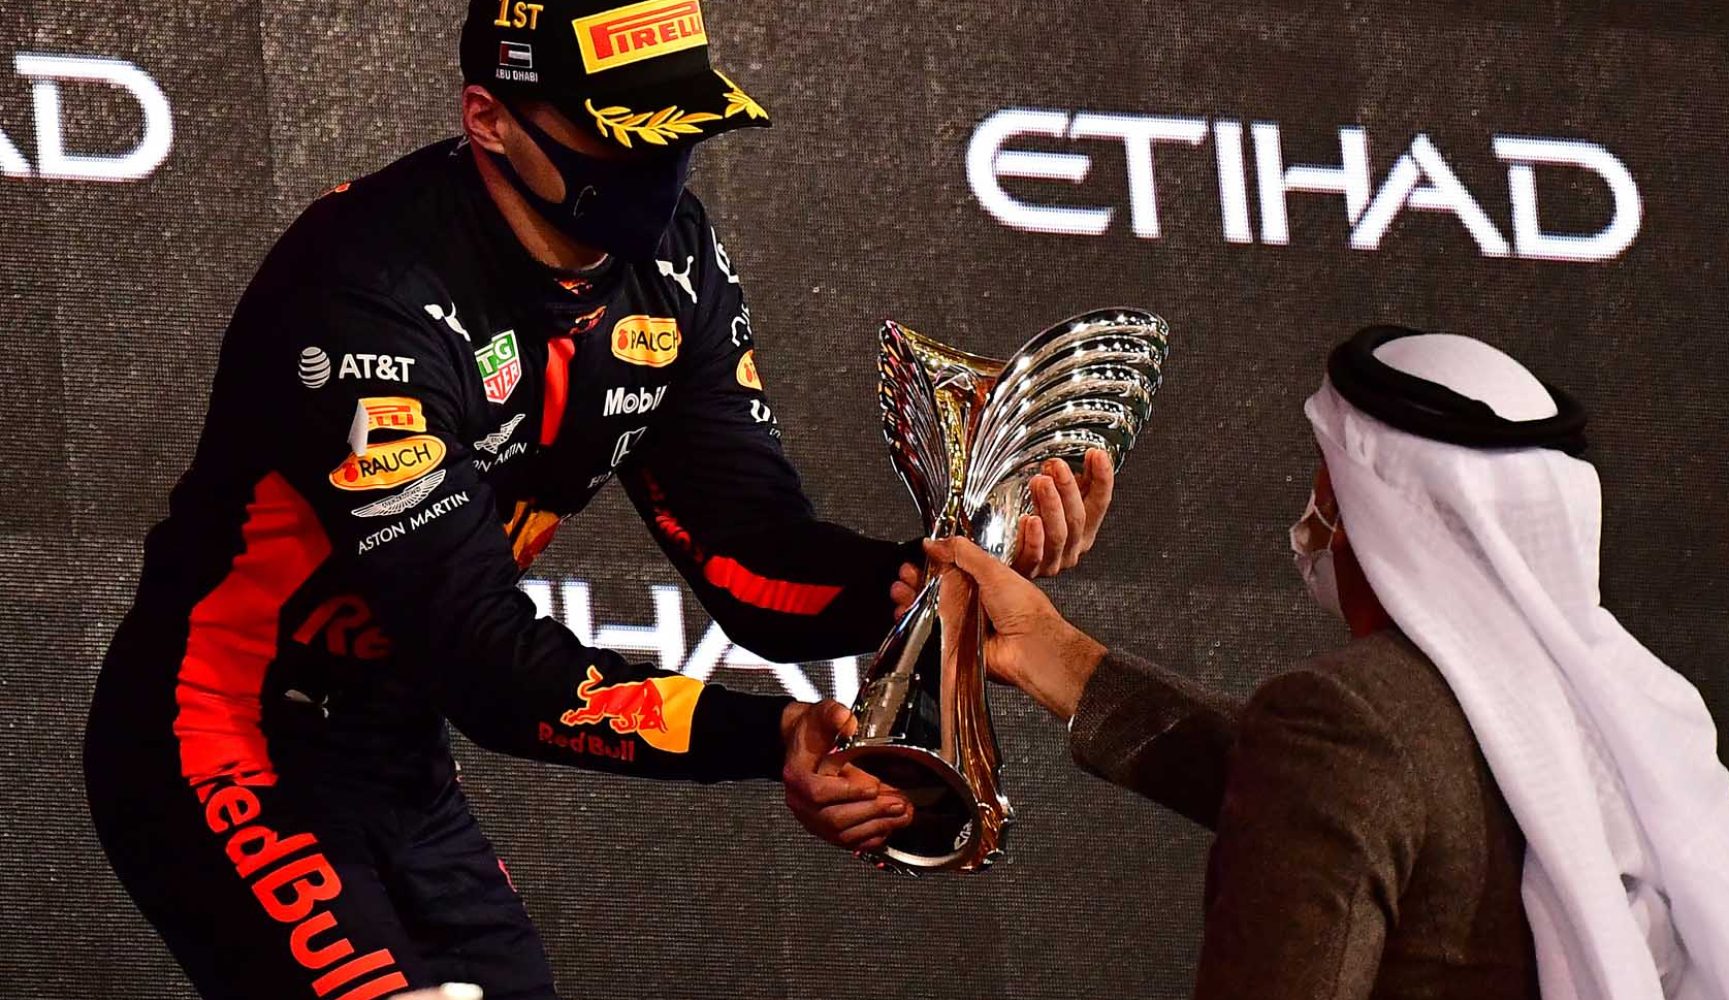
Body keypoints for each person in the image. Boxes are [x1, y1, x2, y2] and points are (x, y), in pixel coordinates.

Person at [81, 2, 1113, 998]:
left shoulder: (677, 264)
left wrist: (941, 576)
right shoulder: (366, 288)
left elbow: (753, 561)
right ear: (488, 118)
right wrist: (774, 739)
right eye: (622, 134)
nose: (659, 166)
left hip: (399, 757)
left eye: (684, 128)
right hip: (219, 735)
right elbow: (483, 663)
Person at [925, 326, 1729, 1000]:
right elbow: (1367, 799)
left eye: (1325, 497)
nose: (1312, 527)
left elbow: (1353, 785)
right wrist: (1065, 658)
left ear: (1375, 517)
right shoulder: (1627, 716)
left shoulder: (1350, 716)